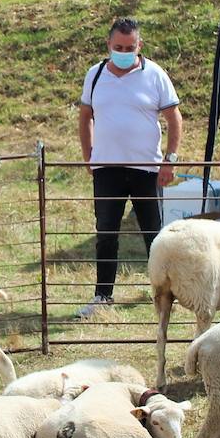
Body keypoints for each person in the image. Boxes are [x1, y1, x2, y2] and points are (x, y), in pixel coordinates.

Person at [75, 16, 183, 318]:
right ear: (108, 44)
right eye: (118, 46)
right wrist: (89, 157)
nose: (124, 51)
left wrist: (170, 160)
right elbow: (85, 117)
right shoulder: (95, 75)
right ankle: (102, 297)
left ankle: (165, 294)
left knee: (154, 234)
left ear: (140, 46)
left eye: (130, 47)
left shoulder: (156, 75)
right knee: (106, 233)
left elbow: (175, 119)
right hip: (106, 169)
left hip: (146, 169)